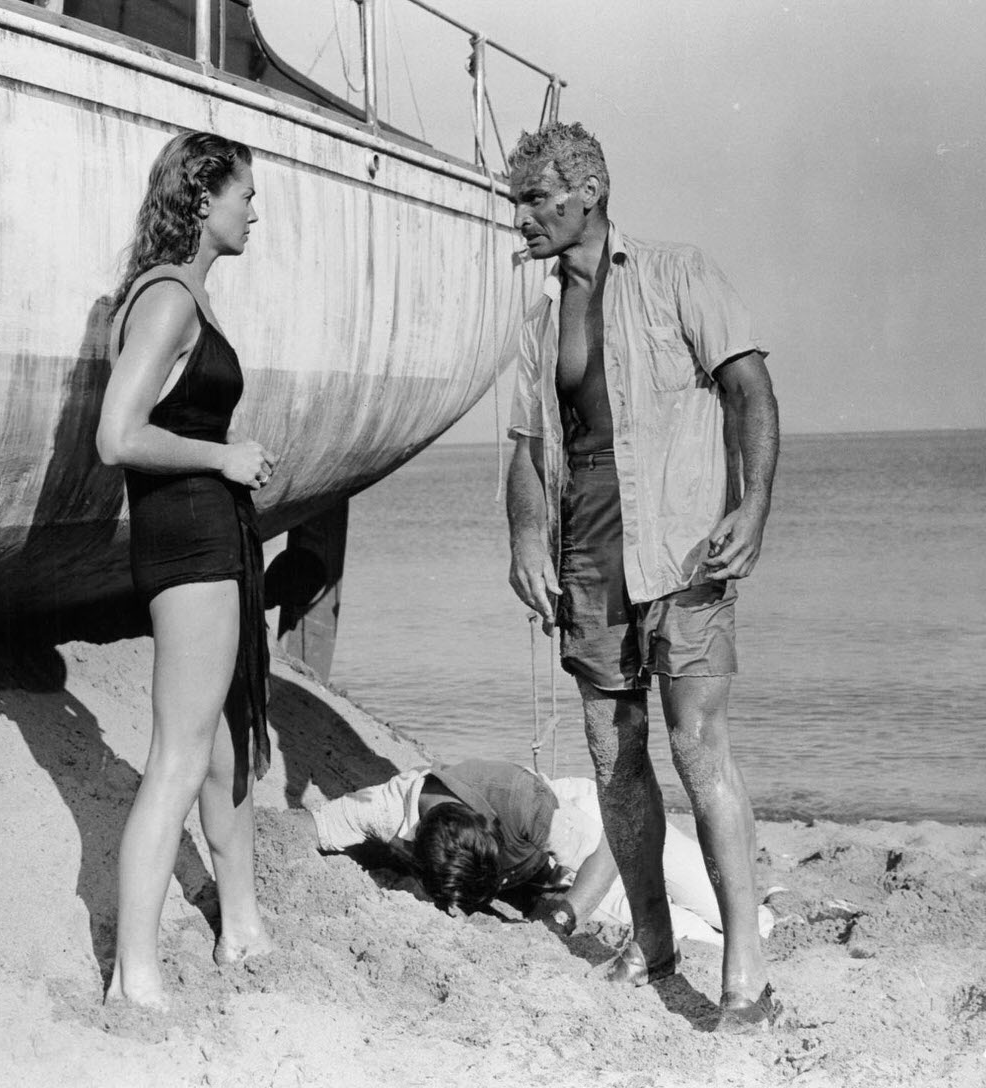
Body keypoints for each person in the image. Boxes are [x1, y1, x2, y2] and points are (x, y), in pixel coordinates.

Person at [503, 122, 781, 1032]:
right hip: (588, 559)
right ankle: (652, 939)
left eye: (536, 202)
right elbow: (527, 448)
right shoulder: (541, 315)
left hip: (684, 549)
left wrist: (753, 506)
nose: (524, 221)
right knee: (614, 758)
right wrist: (525, 541)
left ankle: (745, 971)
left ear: (586, 191)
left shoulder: (676, 273)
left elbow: (751, 393)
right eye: (519, 205)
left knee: (700, 753)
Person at [95, 131, 277, 1009]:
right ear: (203, 200)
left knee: (226, 743)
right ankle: (134, 976)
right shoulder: (168, 298)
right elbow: (117, 435)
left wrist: (224, 462)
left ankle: (240, 926)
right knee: (178, 756)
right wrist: (224, 457)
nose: (255, 208)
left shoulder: (183, 296)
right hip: (192, 545)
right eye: (245, 192)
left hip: (209, 539)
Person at [308, 760, 774, 948]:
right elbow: (312, 827)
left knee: (730, 907)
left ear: (490, 827)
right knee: (697, 936)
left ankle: (771, 907)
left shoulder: (519, 802)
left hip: (587, 831)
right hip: (542, 874)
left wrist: (564, 920)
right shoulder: (385, 810)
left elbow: (609, 850)